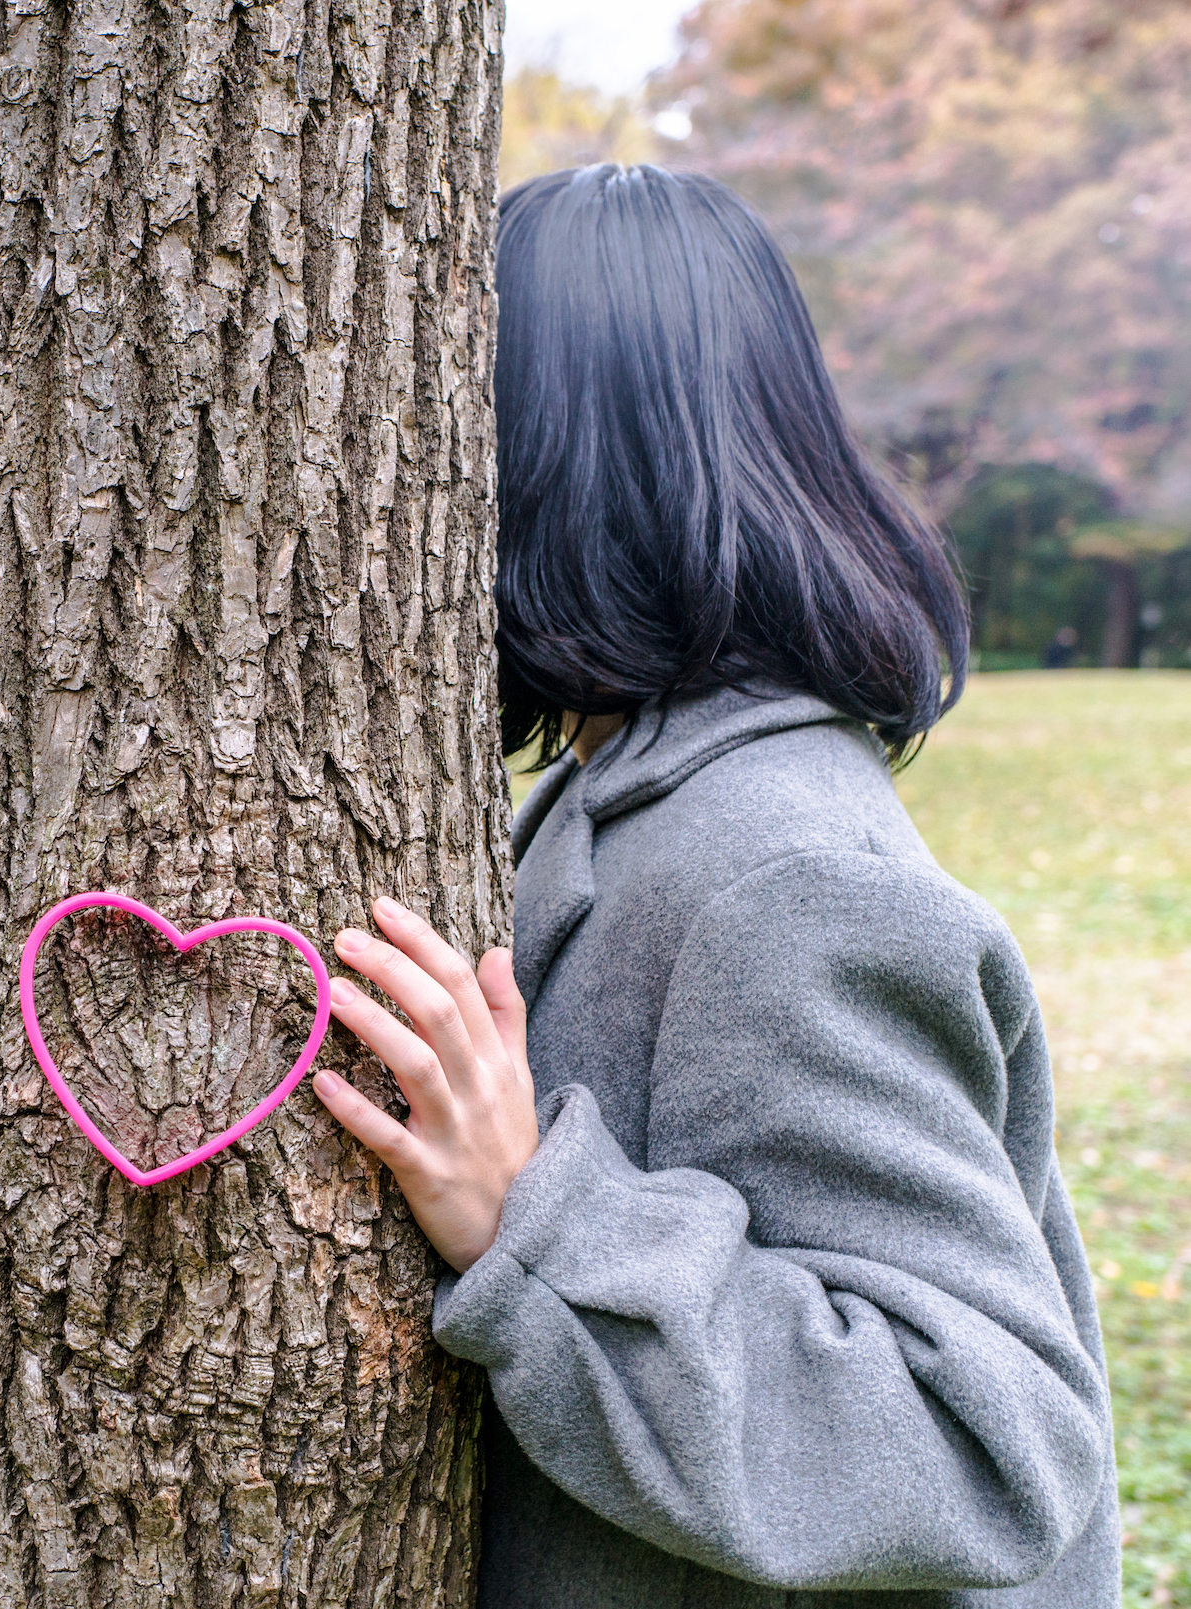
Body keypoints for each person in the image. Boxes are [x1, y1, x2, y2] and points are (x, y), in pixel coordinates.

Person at [311, 165, 1120, 1606]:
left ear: (537, 455)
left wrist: (538, 1219)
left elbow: (987, 1437)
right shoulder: (627, 786)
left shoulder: (785, 874)